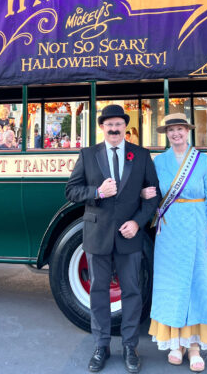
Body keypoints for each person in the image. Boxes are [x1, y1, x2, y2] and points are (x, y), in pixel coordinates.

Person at [66, 104, 159, 374]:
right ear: (102, 127)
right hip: (98, 234)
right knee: (98, 292)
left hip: (129, 236)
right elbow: (71, 191)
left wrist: (138, 222)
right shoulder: (88, 154)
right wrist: (98, 191)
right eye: (109, 125)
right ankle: (101, 345)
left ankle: (130, 346)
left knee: (132, 291)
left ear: (124, 127)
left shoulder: (140, 155)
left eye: (118, 124)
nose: (114, 129)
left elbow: (152, 196)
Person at [142, 113, 207, 372]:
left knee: (197, 283)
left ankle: (194, 347)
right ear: (166, 133)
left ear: (187, 131)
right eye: (171, 130)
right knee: (173, 283)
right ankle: (175, 344)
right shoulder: (160, 161)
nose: (175, 133)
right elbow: (153, 192)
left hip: (198, 228)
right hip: (169, 232)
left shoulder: (202, 161)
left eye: (179, 129)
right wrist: (145, 194)